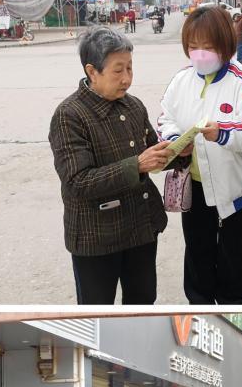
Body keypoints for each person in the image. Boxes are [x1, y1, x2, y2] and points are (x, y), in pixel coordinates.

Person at [49, 26, 173, 305]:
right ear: (92, 72)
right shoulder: (70, 115)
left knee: (142, 302)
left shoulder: (133, 106)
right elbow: (77, 182)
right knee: (96, 311)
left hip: (140, 227)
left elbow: (150, 153)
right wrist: (137, 165)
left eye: (130, 68)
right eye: (118, 70)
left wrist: (177, 151)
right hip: (97, 238)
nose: (127, 78)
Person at [158, 5, 242, 305]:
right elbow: (166, 117)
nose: (200, 54)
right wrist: (174, 140)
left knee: (235, 253)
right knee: (197, 249)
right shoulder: (181, 80)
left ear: (225, 45)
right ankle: (200, 302)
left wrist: (222, 133)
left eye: (208, 47)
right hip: (195, 185)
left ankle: (234, 303)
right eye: (193, 47)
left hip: (235, 189)